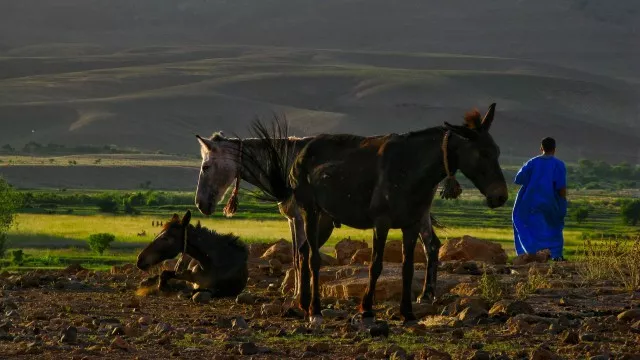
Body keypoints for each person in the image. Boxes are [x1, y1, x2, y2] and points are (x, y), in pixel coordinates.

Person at [512, 137, 568, 261]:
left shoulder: (532, 162)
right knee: (553, 227)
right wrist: (562, 202)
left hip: (529, 202)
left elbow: (519, 179)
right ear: (554, 149)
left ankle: (531, 253)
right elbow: (561, 188)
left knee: (525, 224)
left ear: (541, 148)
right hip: (551, 202)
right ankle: (555, 256)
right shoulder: (558, 164)